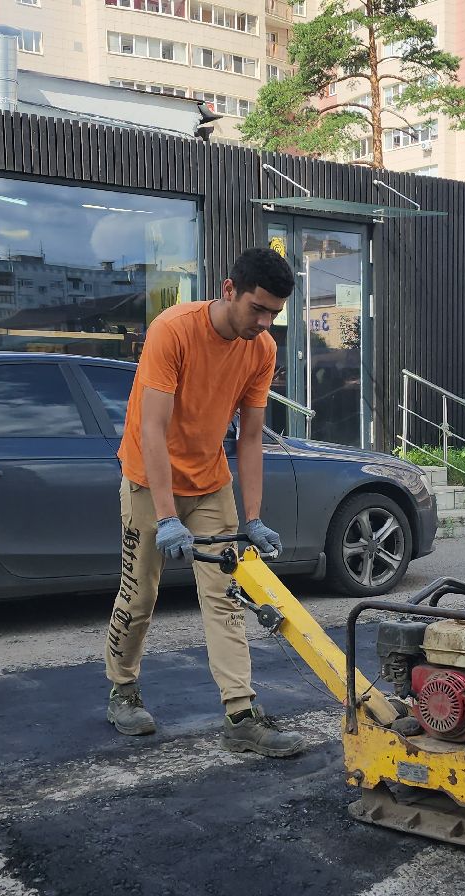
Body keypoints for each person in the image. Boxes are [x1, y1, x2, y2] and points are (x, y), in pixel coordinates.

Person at [103, 248, 303, 758]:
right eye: (258, 309)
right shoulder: (174, 329)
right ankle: (122, 690)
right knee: (141, 594)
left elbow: (251, 438)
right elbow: (153, 428)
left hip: (211, 484)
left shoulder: (261, 350)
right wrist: (167, 517)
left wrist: (253, 519)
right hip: (151, 482)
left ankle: (240, 716)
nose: (264, 324)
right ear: (229, 289)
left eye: (274, 314)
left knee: (226, 597)